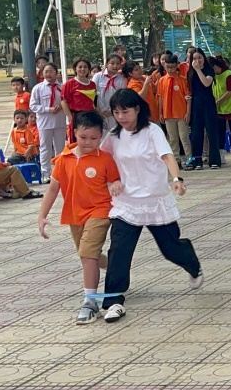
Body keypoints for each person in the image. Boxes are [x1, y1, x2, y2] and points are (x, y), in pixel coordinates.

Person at [99, 89, 204, 323]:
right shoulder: (114, 136)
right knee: (119, 251)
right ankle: (113, 300)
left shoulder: (152, 131)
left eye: (125, 111)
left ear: (137, 109)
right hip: (126, 204)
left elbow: (167, 156)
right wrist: (111, 180)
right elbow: (101, 158)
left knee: (171, 248)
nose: (121, 117)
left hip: (155, 200)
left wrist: (177, 179)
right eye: (116, 112)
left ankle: (192, 264)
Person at [37, 111, 121, 324]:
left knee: (87, 254)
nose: (89, 142)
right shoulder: (63, 159)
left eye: (94, 138)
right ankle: (117, 268)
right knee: (89, 256)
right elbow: (53, 190)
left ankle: (90, 302)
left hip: (100, 212)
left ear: (101, 136)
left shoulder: (105, 159)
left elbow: (115, 180)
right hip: (75, 215)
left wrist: (117, 185)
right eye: (83, 138)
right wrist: (42, 216)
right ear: (74, 133)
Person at [184, 49, 221, 170]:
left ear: (204, 58)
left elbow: (206, 83)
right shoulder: (189, 72)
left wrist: (198, 70)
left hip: (208, 103)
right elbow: (188, 88)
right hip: (195, 104)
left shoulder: (209, 70)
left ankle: (214, 160)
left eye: (199, 57)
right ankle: (197, 161)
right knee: (196, 133)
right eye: (194, 58)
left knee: (212, 131)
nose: (197, 61)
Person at [29, 64, 67, 182]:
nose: (48, 74)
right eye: (46, 71)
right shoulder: (38, 88)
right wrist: (47, 109)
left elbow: (68, 100)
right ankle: (45, 172)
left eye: (51, 71)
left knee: (60, 147)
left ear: (56, 72)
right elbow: (33, 106)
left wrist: (61, 106)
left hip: (60, 121)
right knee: (45, 147)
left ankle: (60, 171)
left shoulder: (63, 87)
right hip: (45, 122)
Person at [61, 59, 98, 141]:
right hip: (77, 117)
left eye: (85, 67)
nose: (82, 69)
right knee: (77, 142)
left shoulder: (92, 84)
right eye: (80, 67)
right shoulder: (69, 83)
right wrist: (70, 117)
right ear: (75, 69)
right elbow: (63, 101)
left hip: (90, 116)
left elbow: (94, 102)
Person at [94, 54, 127, 130]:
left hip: (115, 112)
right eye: (112, 63)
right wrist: (100, 109)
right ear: (107, 64)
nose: (115, 66)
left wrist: (111, 111)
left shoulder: (121, 79)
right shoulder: (98, 76)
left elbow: (122, 97)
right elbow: (94, 94)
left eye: (118, 64)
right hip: (98, 111)